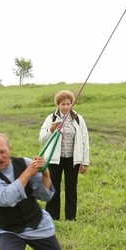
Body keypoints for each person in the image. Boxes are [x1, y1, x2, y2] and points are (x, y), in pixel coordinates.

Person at [38, 90, 90, 221]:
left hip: (72, 159)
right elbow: (42, 139)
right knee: (53, 188)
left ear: (72, 104)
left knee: (71, 189)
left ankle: (70, 218)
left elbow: (85, 140)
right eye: (63, 104)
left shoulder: (78, 119)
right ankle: (52, 217)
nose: (66, 107)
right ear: (58, 105)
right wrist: (51, 130)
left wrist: (85, 161)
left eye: (68, 104)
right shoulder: (51, 119)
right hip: (54, 160)